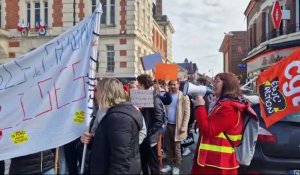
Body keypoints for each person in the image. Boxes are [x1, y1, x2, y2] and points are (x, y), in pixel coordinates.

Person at [81, 78, 144, 174]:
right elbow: (110, 142)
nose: (94, 95)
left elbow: (120, 159)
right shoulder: (115, 113)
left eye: (96, 90)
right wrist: (90, 140)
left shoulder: (119, 118)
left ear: (105, 92)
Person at [191, 72, 248, 175]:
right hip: (213, 161)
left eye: (217, 81)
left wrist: (200, 107)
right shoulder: (221, 104)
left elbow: (208, 130)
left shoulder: (229, 108)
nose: (213, 84)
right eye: (213, 81)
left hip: (218, 164)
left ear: (227, 85)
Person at [160, 79, 190, 175]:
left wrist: (184, 126)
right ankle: (169, 164)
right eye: (170, 85)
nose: (172, 86)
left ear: (178, 84)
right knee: (168, 147)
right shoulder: (168, 95)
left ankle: (177, 166)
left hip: (178, 126)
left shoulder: (184, 96)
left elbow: (187, 113)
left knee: (177, 148)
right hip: (168, 124)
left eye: (174, 84)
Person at [136, 74, 164, 175]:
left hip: (149, 138)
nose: (137, 87)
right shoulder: (140, 97)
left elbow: (159, 121)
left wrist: (147, 134)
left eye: (138, 84)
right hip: (142, 136)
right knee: (143, 162)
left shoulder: (155, 99)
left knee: (153, 165)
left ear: (143, 85)